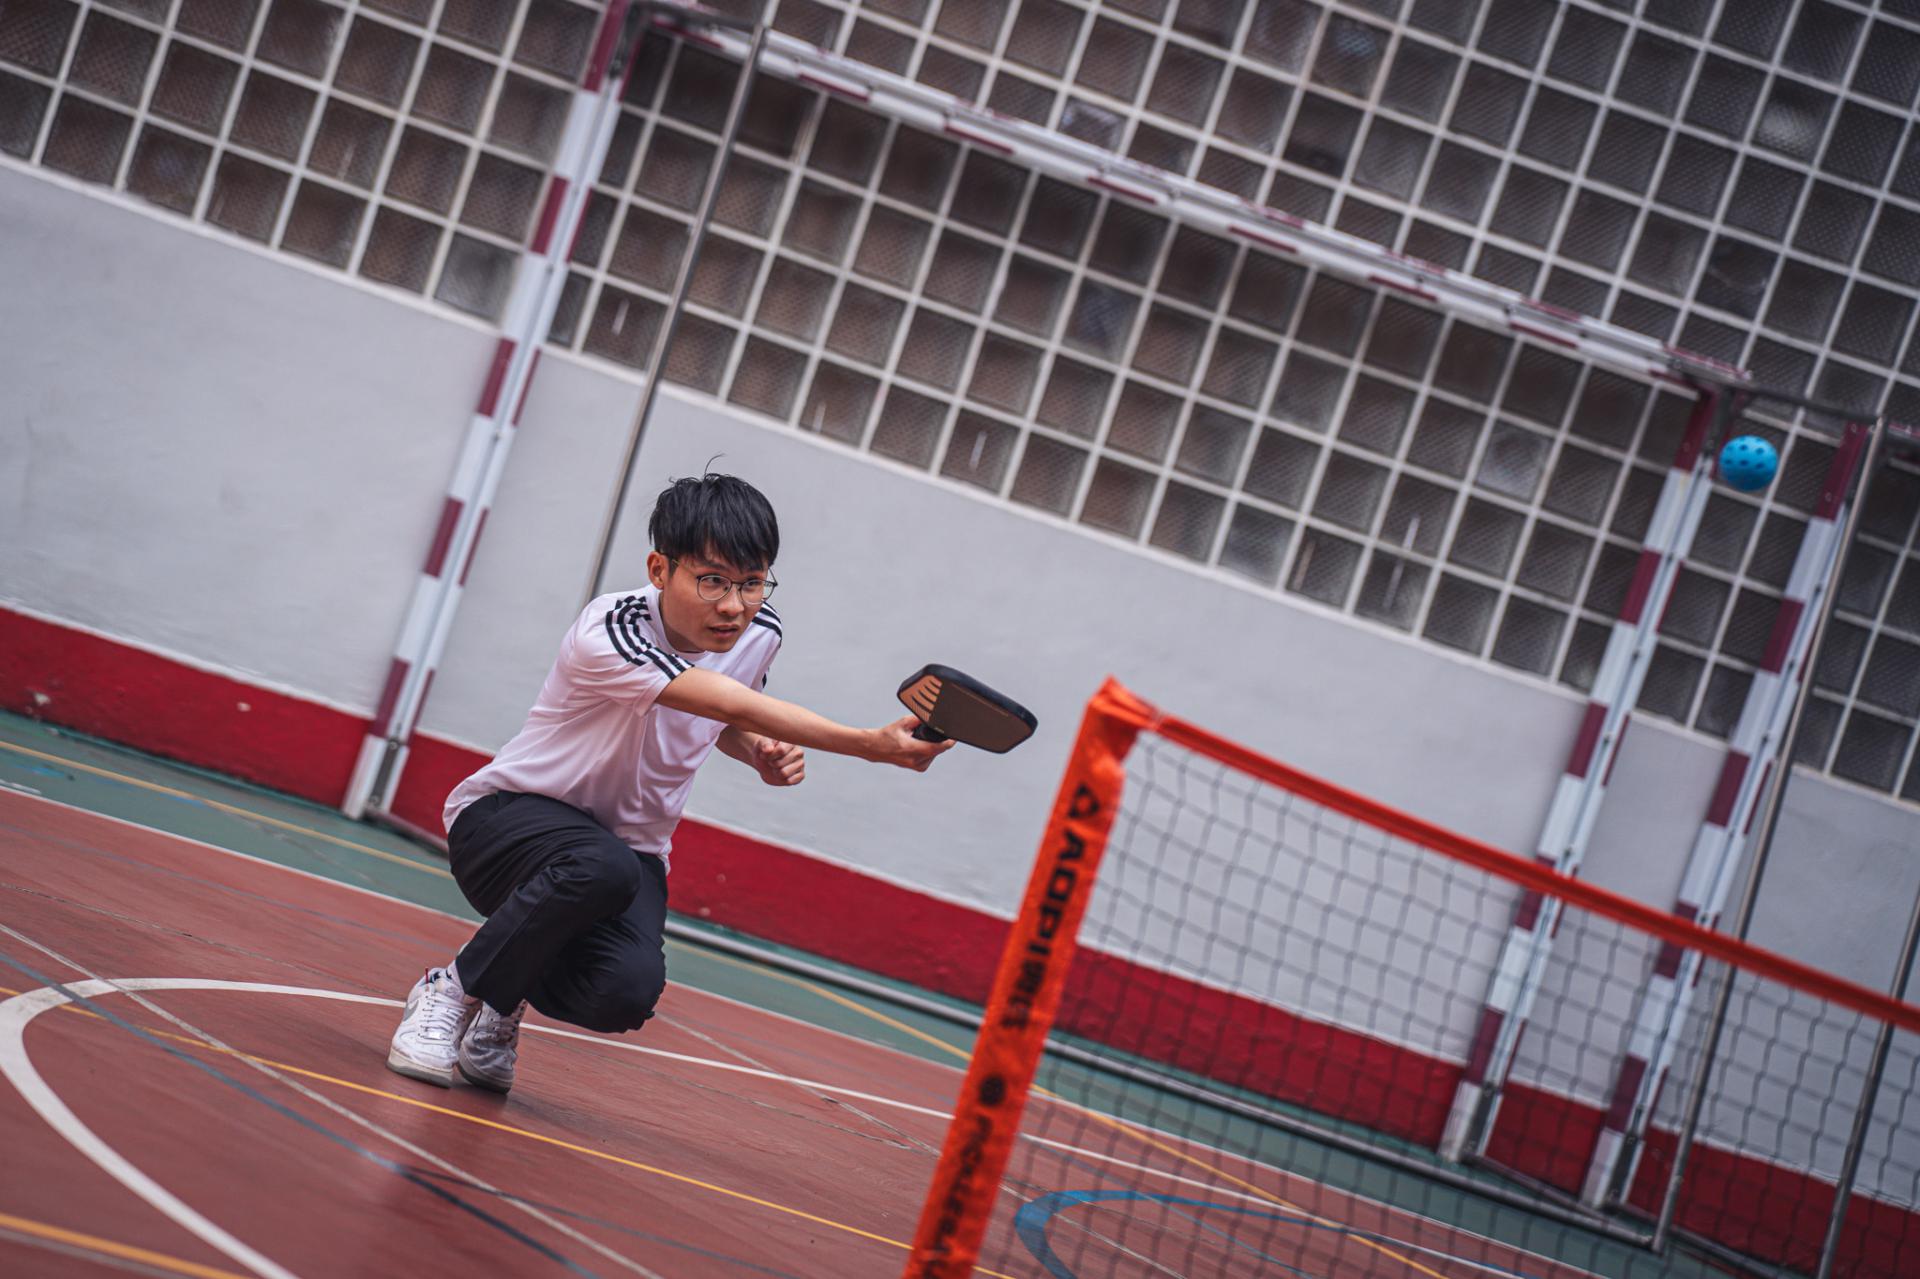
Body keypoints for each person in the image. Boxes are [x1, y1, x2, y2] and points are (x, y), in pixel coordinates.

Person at [387, 472, 952, 1092]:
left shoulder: (760, 634)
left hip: (630, 851)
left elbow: (723, 714)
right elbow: (713, 695)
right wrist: (869, 746)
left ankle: (503, 997)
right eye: (712, 580)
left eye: (752, 582)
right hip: (506, 825)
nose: (734, 605)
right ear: (661, 569)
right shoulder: (612, 628)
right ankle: (453, 991)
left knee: (623, 993)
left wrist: (757, 751)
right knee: (600, 868)